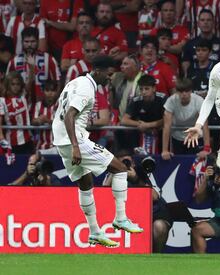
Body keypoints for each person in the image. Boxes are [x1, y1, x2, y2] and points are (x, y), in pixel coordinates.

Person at [52, 55, 143, 247]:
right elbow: (70, 115)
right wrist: (76, 146)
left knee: (85, 182)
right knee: (119, 169)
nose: (110, 79)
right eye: (108, 75)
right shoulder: (87, 88)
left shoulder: (76, 82)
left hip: (61, 140)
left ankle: (94, 232)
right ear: (99, 71)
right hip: (73, 140)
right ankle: (121, 218)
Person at [102, 150, 173, 253]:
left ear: (133, 163)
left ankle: (155, 257)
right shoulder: (111, 174)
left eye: (127, 162)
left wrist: (135, 179)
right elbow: (101, 196)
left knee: (160, 226)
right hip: (124, 218)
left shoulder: (142, 173)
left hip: (150, 216)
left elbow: (155, 197)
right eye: (120, 162)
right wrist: (115, 173)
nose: (124, 165)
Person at [162, 78, 210, 160]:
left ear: (191, 91)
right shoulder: (170, 101)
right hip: (177, 138)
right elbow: (166, 127)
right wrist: (165, 150)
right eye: (181, 91)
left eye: (186, 91)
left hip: (196, 138)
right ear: (177, 92)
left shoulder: (199, 101)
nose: (184, 94)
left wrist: (206, 149)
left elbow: (205, 126)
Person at [121, 74, 165, 154]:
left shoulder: (162, 98)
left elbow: (167, 119)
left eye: (146, 89)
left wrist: (149, 125)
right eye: (141, 89)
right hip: (141, 133)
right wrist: (140, 124)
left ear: (154, 88)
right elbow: (124, 120)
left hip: (160, 133)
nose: (143, 92)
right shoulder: (136, 100)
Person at [0, 71, 33, 154]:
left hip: (27, 140)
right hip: (11, 142)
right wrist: (1, 139)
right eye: (13, 84)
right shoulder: (2, 101)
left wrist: (31, 67)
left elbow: (30, 81)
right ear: (8, 85)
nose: (15, 87)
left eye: (18, 84)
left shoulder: (24, 97)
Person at [32, 79, 59, 150]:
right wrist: (38, 121)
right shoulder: (38, 105)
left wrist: (47, 120)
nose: (50, 93)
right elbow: (33, 121)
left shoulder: (60, 105)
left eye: (52, 90)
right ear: (43, 91)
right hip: (41, 146)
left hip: (57, 147)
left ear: (56, 92)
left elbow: (62, 124)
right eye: (47, 90)